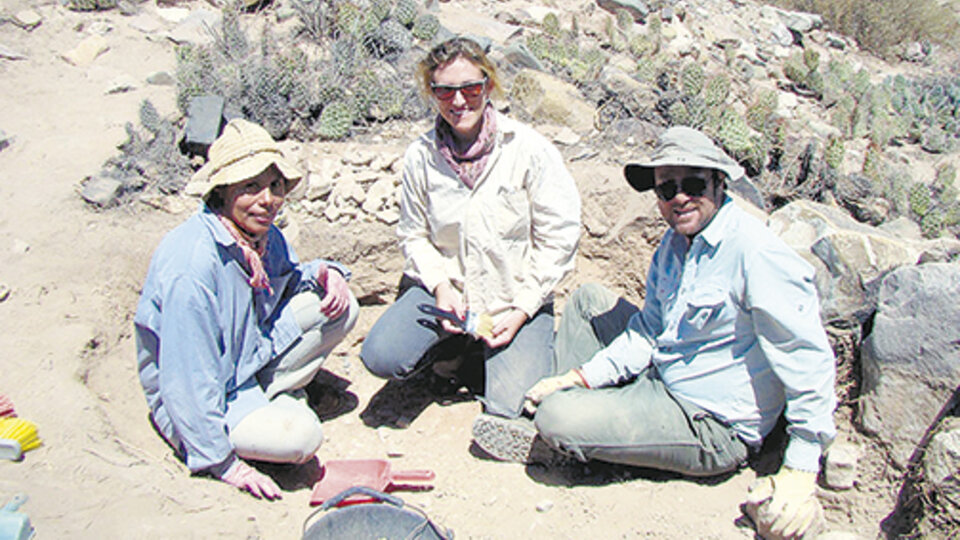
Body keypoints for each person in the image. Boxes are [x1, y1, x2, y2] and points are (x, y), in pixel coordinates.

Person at [474, 126, 837, 539]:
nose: (679, 198)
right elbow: (649, 330)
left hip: (709, 421)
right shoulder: (675, 243)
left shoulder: (756, 254)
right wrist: (577, 377)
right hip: (663, 372)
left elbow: (806, 357)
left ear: (720, 183)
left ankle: (562, 439)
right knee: (588, 300)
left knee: (558, 416)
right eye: (666, 190)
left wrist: (802, 465)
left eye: (694, 184)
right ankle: (586, 412)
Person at [360, 37, 581, 422]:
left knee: (510, 406)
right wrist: (442, 288)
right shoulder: (421, 156)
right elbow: (413, 234)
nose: (458, 101)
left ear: (488, 86)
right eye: (445, 90)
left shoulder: (528, 149)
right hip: (452, 295)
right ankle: (451, 349)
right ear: (432, 93)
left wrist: (524, 307)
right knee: (382, 356)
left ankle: (490, 356)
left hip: (512, 298)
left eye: (470, 88)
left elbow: (559, 236)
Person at [134, 118, 358, 500]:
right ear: (222, 193)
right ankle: (275, 408)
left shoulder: (259, 237)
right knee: (303, 437)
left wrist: (325, 271)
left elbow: (287, 279)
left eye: (274, 187)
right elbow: (187, 376)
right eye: (250, 187)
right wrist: (222, 463)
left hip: (243, 363)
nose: (267, 199)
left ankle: (275, 398)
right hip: (207, 396)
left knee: (341, 305)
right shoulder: (192, 266)